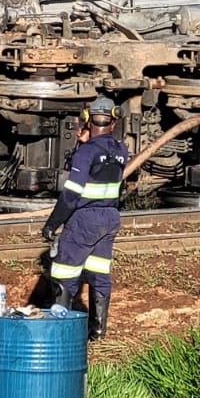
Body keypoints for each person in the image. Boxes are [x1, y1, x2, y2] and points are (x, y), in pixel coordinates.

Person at [42, 96, 129, 342]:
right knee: (99, 273)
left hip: (85, 220)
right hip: (110, 217)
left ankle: (60, 334)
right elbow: (102, 169)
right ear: (114, 121)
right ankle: (98, 332)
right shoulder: (121, 150)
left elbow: (71, 194)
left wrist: (52, 223)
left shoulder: (87, 151)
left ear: (88, 120)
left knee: (63, 273)